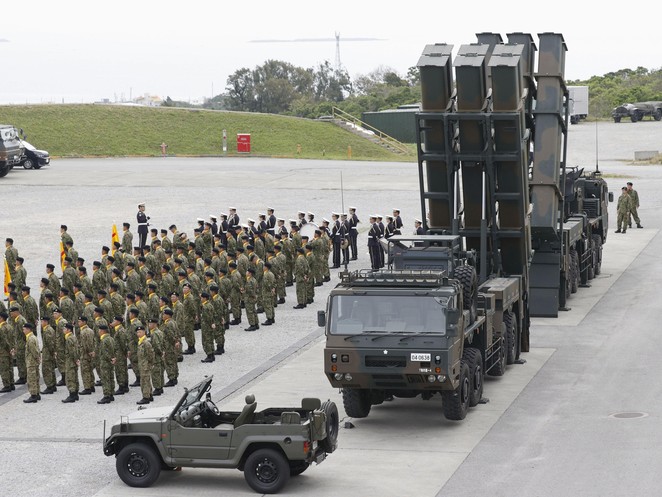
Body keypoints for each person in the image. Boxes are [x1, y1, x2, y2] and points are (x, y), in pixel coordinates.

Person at [97, 324, 116, 404]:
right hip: (111, 362)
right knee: (110, 378)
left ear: (102, 331)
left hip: (105, 362)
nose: (98, 332)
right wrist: (113, 358)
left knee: (105, 379)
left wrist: (110, 358)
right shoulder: (111, 338)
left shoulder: (104, 340)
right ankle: (111, 394)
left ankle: (106, 396)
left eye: (99, 330)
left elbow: (105, 353)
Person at [61, 323, 80, 403]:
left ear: (69, 330)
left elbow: (72, 351)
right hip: (73, 361)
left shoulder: (69, 339)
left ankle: (72, 395)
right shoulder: (73, 337)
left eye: (64, 329)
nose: (63, 330)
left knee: (70, 378)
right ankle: (75, 394)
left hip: (70, 361)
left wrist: (75, 360)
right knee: (74, 377)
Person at [23, 323, 41, 403]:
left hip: (31, 362)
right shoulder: (33, 337)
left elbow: (34, 351)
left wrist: (37, 358)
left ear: (28, 329)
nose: (23, 331)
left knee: (31, 379)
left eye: (24, 329)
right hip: (34, 362)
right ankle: (37, 394)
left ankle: (33, 395)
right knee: (36, 378)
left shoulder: (30, 339)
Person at [136, 325, 154, 405]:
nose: (138, 334)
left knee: (144, 381)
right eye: (137, 332)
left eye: (140, 332)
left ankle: (146, 397)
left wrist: (149, 364)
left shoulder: (146, 343)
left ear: (144, 332)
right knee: (146, 380)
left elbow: (151, 355)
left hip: (145, 365)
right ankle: (150, 395)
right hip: (142, 365)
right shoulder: (140, 342)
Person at [40, 315, 58, 395]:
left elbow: (50, 343)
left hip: (47, 353)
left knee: (47, 370)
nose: (41, 323)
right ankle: (53, 385)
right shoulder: (49, 329)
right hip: (49, 352)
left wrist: (51, 352)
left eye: (42, 321)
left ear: (46, 322)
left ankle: (49, 386)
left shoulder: (47, 330)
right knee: (51, 369)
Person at [0, 312, 15, 392]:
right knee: (10, 367)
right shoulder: (9, 326)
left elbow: (4, 341)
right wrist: (12, 349)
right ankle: (11, 384)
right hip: (10, 350)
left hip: (3, 351)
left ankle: (7, 386)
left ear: (1, 318)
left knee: (4, 369)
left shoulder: (2, 328)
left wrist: (8, 348)